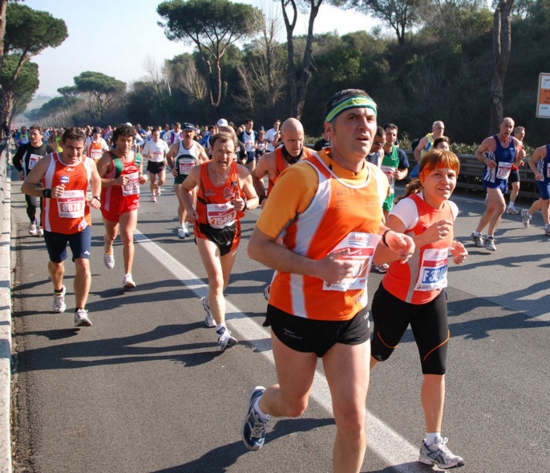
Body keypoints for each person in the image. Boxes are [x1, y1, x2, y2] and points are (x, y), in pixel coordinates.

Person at [241, 89, 415, 472]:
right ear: (330, 130)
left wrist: (395, 244)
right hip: (297, 313)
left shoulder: (378, 181)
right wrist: (319, 269)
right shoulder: (302, 178)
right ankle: (260, 404)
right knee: (294, 404)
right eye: (352, 118)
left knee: (353, 421)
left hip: (350, 316)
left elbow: (372, 243)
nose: (364, 126)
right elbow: (257, 247)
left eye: (369, 119)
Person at [370, 149, 468, 470]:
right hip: (397, 300)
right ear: (423, 176)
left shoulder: (451, 208)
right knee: (376, 356)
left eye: (451, 175)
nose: (446, 181)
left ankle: (432, 442)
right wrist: (423, 237)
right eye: (438, 174)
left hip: (431, 300)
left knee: (437, 370)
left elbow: (440, 245)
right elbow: (379, 256)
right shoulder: (407, 207)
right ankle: (347, 393)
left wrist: (453, 249)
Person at [180, 131, 259, 350]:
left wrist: (245, 204)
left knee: (222, 282)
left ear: (235, 153)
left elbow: (254, 199)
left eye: (229, 152)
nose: (224, 156)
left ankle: (209, 303)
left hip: (230, 231)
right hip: (205, 230)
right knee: (215, 279)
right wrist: (188, 208)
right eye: (220, 151)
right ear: (211, 151)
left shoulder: (241, 173)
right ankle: (222, 331)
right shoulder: (199, 171)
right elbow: (185, 188)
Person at [21, 127, 102, 327]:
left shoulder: (88, 162)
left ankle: (80, 310)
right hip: (53, 224)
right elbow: (26, 186)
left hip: (81, 222)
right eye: (70, 149)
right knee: (56, 264)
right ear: (62, 145)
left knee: (83, 264)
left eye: (79, 149)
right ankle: (59, 291)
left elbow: (96, 179)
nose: (75, 154)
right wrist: (47, 192)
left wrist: (96, 197)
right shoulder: (48, 162)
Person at [97, 123, 148, 289]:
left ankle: (128, 276)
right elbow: (95, 182)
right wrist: (114, 182)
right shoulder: (107, 158)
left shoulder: (137, 157)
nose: (126, 144)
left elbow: (138, 174)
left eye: (129, 140)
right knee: (112, 235)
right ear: (116, 141)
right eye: (122, 140)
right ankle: (108, 245)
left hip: (130, 202)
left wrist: (142, 178)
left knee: (127, 236)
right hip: (111, 203)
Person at [471, 117, 522, 251]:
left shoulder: (515, 143)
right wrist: (486, 160)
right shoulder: (490, 141)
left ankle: (476, 234)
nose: (508, 129)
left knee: (491, 210)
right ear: (500, 126)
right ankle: (490, 237)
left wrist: (520, 160)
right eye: (506, 126)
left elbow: (514, 164)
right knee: (501, 206)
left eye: (510, 127)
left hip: (503, 180)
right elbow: (478, 153)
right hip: (490, 178)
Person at [252, 118, 315, 209]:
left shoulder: (314, 158)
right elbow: (255, 176)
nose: (297, 145)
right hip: (277, 214)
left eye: (300, 140)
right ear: (282, 138)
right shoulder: (269, 160)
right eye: (292, 141)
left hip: (304, 217)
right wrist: (262, 198)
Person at [166, 123, 209, 239]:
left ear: (194, 133)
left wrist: (202, 162)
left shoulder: (198, 147)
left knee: (190, 204)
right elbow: (168, 156)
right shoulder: (177, 146)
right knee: (183, 202)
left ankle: (185, 223)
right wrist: (172, 167)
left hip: (192, 180)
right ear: (182, 133)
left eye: (190, 132)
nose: (188, 134)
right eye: (186, 131)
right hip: (180, 179)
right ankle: (181, 226)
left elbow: (207, 160)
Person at [12, 125, 54, 236]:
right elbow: (15, 160)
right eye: (31, 134)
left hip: (44, 182)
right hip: (30, 182)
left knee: (43, 206)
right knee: (31, 204)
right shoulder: (25, 148)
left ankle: (41, 225)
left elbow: (55, 163)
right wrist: (20, 170)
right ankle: (32, 221)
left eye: (35, 134)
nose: (32, 136)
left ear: (41, 135)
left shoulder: (48, 149)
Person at [381, 123, 410, 219]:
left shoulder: (399, 153)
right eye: (389, 134)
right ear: (383, 135)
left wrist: (401, 175)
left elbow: (405, 169)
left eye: (394, 135)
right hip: (375, 190)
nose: (391, 137)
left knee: (385, 219)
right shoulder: (376, 150)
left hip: (390, 192)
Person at [521, 138, 550, 234]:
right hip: (542, 178)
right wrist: (536, 173)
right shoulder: (542, 150)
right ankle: (547, 226)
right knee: (547, 200)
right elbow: (531, 161)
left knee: (542, 200)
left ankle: (528, 213)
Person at [141, 126, 170, 202]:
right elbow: (143, 154)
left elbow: (168, 153)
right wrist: (148, 156)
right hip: (152, 163)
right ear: (152, 135)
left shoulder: (163, 143)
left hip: (160, 163)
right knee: (152, 181)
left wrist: (165, 158)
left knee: (162, 180)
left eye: (157, 135)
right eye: (155, 135)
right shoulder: (149, 143)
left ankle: (157, 186)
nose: (156, 136)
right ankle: (153, 195)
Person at [506, 126, 526, 215]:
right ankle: (491, 198)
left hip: (514, 168)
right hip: (506, 167)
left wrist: (520, 161)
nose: (522, 135)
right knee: (503, 188)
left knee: (516, 187)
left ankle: (510, 206)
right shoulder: (510, 141)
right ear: (516, 133)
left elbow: (518, 157)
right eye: (521, 134)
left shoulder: (521, 143)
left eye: (523, 134)